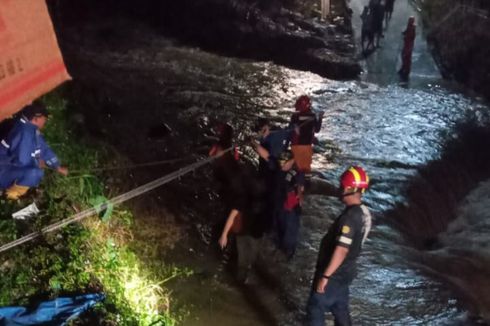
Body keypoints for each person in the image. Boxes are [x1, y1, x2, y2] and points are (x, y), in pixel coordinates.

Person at [306, 166, 372, 326]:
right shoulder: (364, 212)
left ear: (350, 188)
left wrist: (326, 276)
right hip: (346, 273)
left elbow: (342, 249)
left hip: (334, 274)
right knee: (340, 308)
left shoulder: (349, 218)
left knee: (315, 309)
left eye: (342, 186)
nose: (340, 188)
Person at [0, 103, 68, 200]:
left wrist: (57, 166)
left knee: (35, 171)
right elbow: (22, 160)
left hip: (8, 168)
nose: (45, 120)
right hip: (3, 170)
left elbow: (44, 149)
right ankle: (9, 197)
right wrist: (37, 163)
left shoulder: (30, 128)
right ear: (36, 118)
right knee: (35, 173)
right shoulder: (24, 132)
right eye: (44, 118)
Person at [218, 164, 266, 283]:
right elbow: (233, 215)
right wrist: (224, 235)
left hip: (248, 232)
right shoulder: (257, 195)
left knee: (245, 260)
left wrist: (224, 235)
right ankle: (243, 280)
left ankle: (242, 279)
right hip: (251, 233)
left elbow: (232, 216)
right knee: (247, 259)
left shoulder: (243, 196)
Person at [274, 151, 304, 260]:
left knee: (290, 232)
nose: (281, 165)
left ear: (290, 161)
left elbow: (300, 189)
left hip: (290, 209)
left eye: (283, 163)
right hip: (281, 204)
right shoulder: (280, 170)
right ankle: (280, 248)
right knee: (279, 228)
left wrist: (299, 201)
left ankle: (288, 254)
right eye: (280, 162)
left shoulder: (296, 173)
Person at [289, 95, 323, 179]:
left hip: (296, 145)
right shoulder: (312, 116)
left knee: (296, 168)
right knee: (306, 169)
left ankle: (294, 186)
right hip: (307, 146)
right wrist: (320, 118)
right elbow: (317, 130)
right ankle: (304, 186)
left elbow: (290, 129)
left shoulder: (295, 116)